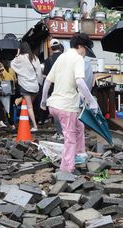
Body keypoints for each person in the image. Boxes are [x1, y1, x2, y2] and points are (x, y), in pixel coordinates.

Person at [40, 33, 99, 173]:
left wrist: (43, 101)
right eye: (86, 50)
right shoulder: (78, 58)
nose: (85, 54)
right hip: (67, 107)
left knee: (79, 126)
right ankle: (66, 169)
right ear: (81, 46)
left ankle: (79, 154)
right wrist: (92, 101)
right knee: (70, 138)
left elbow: (47, 81)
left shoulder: (62, 57)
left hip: (53, 105)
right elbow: (80, 81)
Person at [11, 41, 42, 132]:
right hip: (34, 86)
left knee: (29, 107)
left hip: (25, 85)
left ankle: (35, 126)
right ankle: (26, 120)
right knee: (30, 106)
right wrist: (39, 83)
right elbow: (39, 72)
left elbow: (12, 65)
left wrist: (17, 54)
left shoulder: (19, 58)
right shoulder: (34, 57)